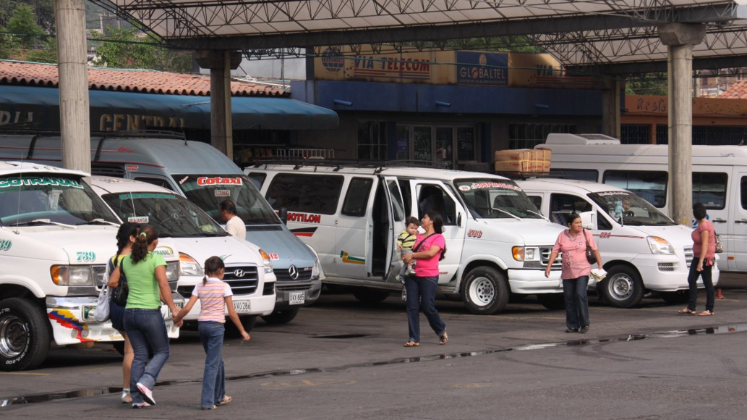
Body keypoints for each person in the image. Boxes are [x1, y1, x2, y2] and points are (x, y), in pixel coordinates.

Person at [109, 225, 182, 409]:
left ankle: (137, 398)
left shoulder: (126, 260)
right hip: (149, 312)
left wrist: (128, 285)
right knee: (162, 351)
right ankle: (146, 381)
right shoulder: (156, 259)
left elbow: (112, 281)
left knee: (139, 355)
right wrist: (173, 309)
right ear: (155, 242)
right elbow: (164, 285)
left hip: (129, 313)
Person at [173, 256, 251, 410]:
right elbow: (232, 312)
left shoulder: (200, 285)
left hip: (202, 326)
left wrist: (177, 319)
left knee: (217, 361)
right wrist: (242, 330)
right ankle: (208, 401)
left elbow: (188, 308)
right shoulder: (224, 286)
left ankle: (220, 395)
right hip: (216, 327)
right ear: (221, 271)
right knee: (212, 364)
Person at [545, 213, 603, 334]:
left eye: (580, 222)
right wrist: (548, 267)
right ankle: (572, 325)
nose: (579, 225)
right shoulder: (562, 235)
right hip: (567, 272)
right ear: (569, 225)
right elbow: (555, 251)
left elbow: (595, 249)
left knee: (580, 295)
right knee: (569, 298)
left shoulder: (586, 234)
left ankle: (584, 323)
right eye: (576, 223)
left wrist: (600, 265)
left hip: (583, 270)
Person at [401, 211, 448, 347]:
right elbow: (406, 250)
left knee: (427, 306)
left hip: (429, 276)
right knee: (412, 307)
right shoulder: (417, 236)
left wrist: (413, 255)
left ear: (432, 220)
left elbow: (430, 253)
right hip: (412, 275)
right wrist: (405, 254)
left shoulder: (438, 238)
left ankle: (441, 329)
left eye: (425, 217)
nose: (422, 220)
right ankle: (413, 338)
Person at [107, 222, 140, 404]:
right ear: (131, 238)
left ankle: (133, 387)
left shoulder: (113, 259)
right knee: (131, 351)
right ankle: (127, 390)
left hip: (115, 308)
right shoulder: (131, 259)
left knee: (133, 349)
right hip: (129, 306)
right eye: (139, 236)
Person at [679, 203, 717, 316]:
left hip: (704, 258)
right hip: (698, 256)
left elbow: (705, 245)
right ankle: (691, 307)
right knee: (691, 279)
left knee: (707, 283)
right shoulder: (703, 224)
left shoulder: (704, 226)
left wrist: (701, 262)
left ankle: (709, 309)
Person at [395, 216, 420, 283]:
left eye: (415, 228)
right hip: (406, 249)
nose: (413, 230)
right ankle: (409, 270)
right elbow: (399, 240)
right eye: (411, 228)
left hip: (411, 249)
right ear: (406, 226)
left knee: (406, 264)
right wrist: (399, 244)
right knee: (411, 261)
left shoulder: (414, 234)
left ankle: (401, 275)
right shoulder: (404, 234)